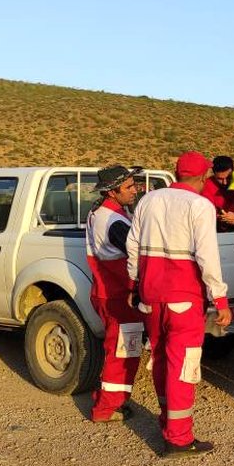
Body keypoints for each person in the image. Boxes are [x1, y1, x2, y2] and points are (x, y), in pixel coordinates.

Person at [127, 151, 234, 457]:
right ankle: (178, 436)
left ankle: (167, 420)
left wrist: (134, 284)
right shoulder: (200, 206)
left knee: (160, 358)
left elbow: (132, 245)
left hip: (151, 296)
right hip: (184, 298)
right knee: (183, 364)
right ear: (202, 178)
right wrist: (220, 298)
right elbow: (207, 256)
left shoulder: (148, 200)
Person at [86, 164, 146, 423]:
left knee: (122, 349)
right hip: (118, 295)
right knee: (122, 352)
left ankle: (112, 401)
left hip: (108, 292)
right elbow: (137, 251)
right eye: (129, 187)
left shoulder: (102, 212)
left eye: (135, 184)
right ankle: (106, 408)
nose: (136, 190)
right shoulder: (113, 221)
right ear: (112, 191)